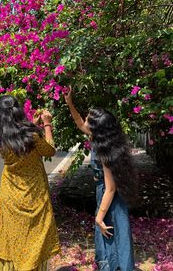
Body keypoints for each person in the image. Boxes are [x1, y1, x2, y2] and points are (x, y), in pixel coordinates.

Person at [64, 87, 136, 271]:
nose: (85, 121)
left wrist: (99, 217)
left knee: (112, 238)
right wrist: (70, 103)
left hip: (109, 197)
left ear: (97, 128)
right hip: (105, 195)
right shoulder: (103, 139)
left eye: (89, 120)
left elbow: (111, 188)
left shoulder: (105, 151)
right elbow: (80, 123)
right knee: (116, 237)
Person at [0, 95, 60, 271]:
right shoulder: (32, 137)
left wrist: (32, 125)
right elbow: (50, 150)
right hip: (34, 193)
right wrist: (46, 124)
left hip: (11, 194)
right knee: (34, 236)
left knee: (13, 237)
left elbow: (17, 133)